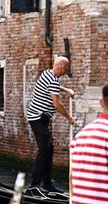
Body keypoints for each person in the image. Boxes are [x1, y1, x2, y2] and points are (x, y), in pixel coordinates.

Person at [26, 56, 76, 193]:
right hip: (38, 118)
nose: (65, 72)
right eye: (66, 70)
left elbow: (54, 86)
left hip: (38, 117)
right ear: (62, 67)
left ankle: (47, 184)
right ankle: (34, 185)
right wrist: (69, 118)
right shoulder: (52, 79)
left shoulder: (47, 73)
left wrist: (66, 90)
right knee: (44, 150)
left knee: (49, 149)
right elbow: (57, 104)